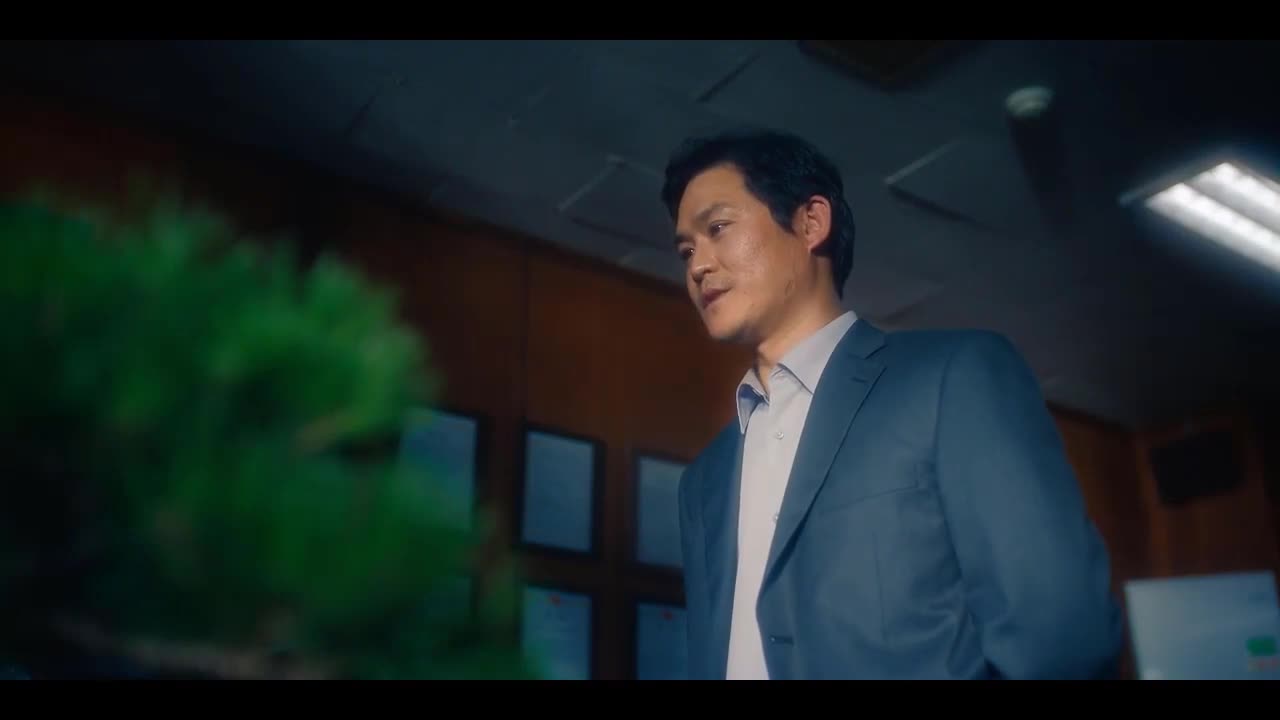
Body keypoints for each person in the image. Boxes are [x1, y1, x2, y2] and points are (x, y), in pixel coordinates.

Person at [663, 128, 1124, 680]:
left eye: (717, 228)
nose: (697, 265)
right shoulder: (704, 481)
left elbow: (1061, 635)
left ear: (811, 222)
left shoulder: (953, 379)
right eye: (686, 250)